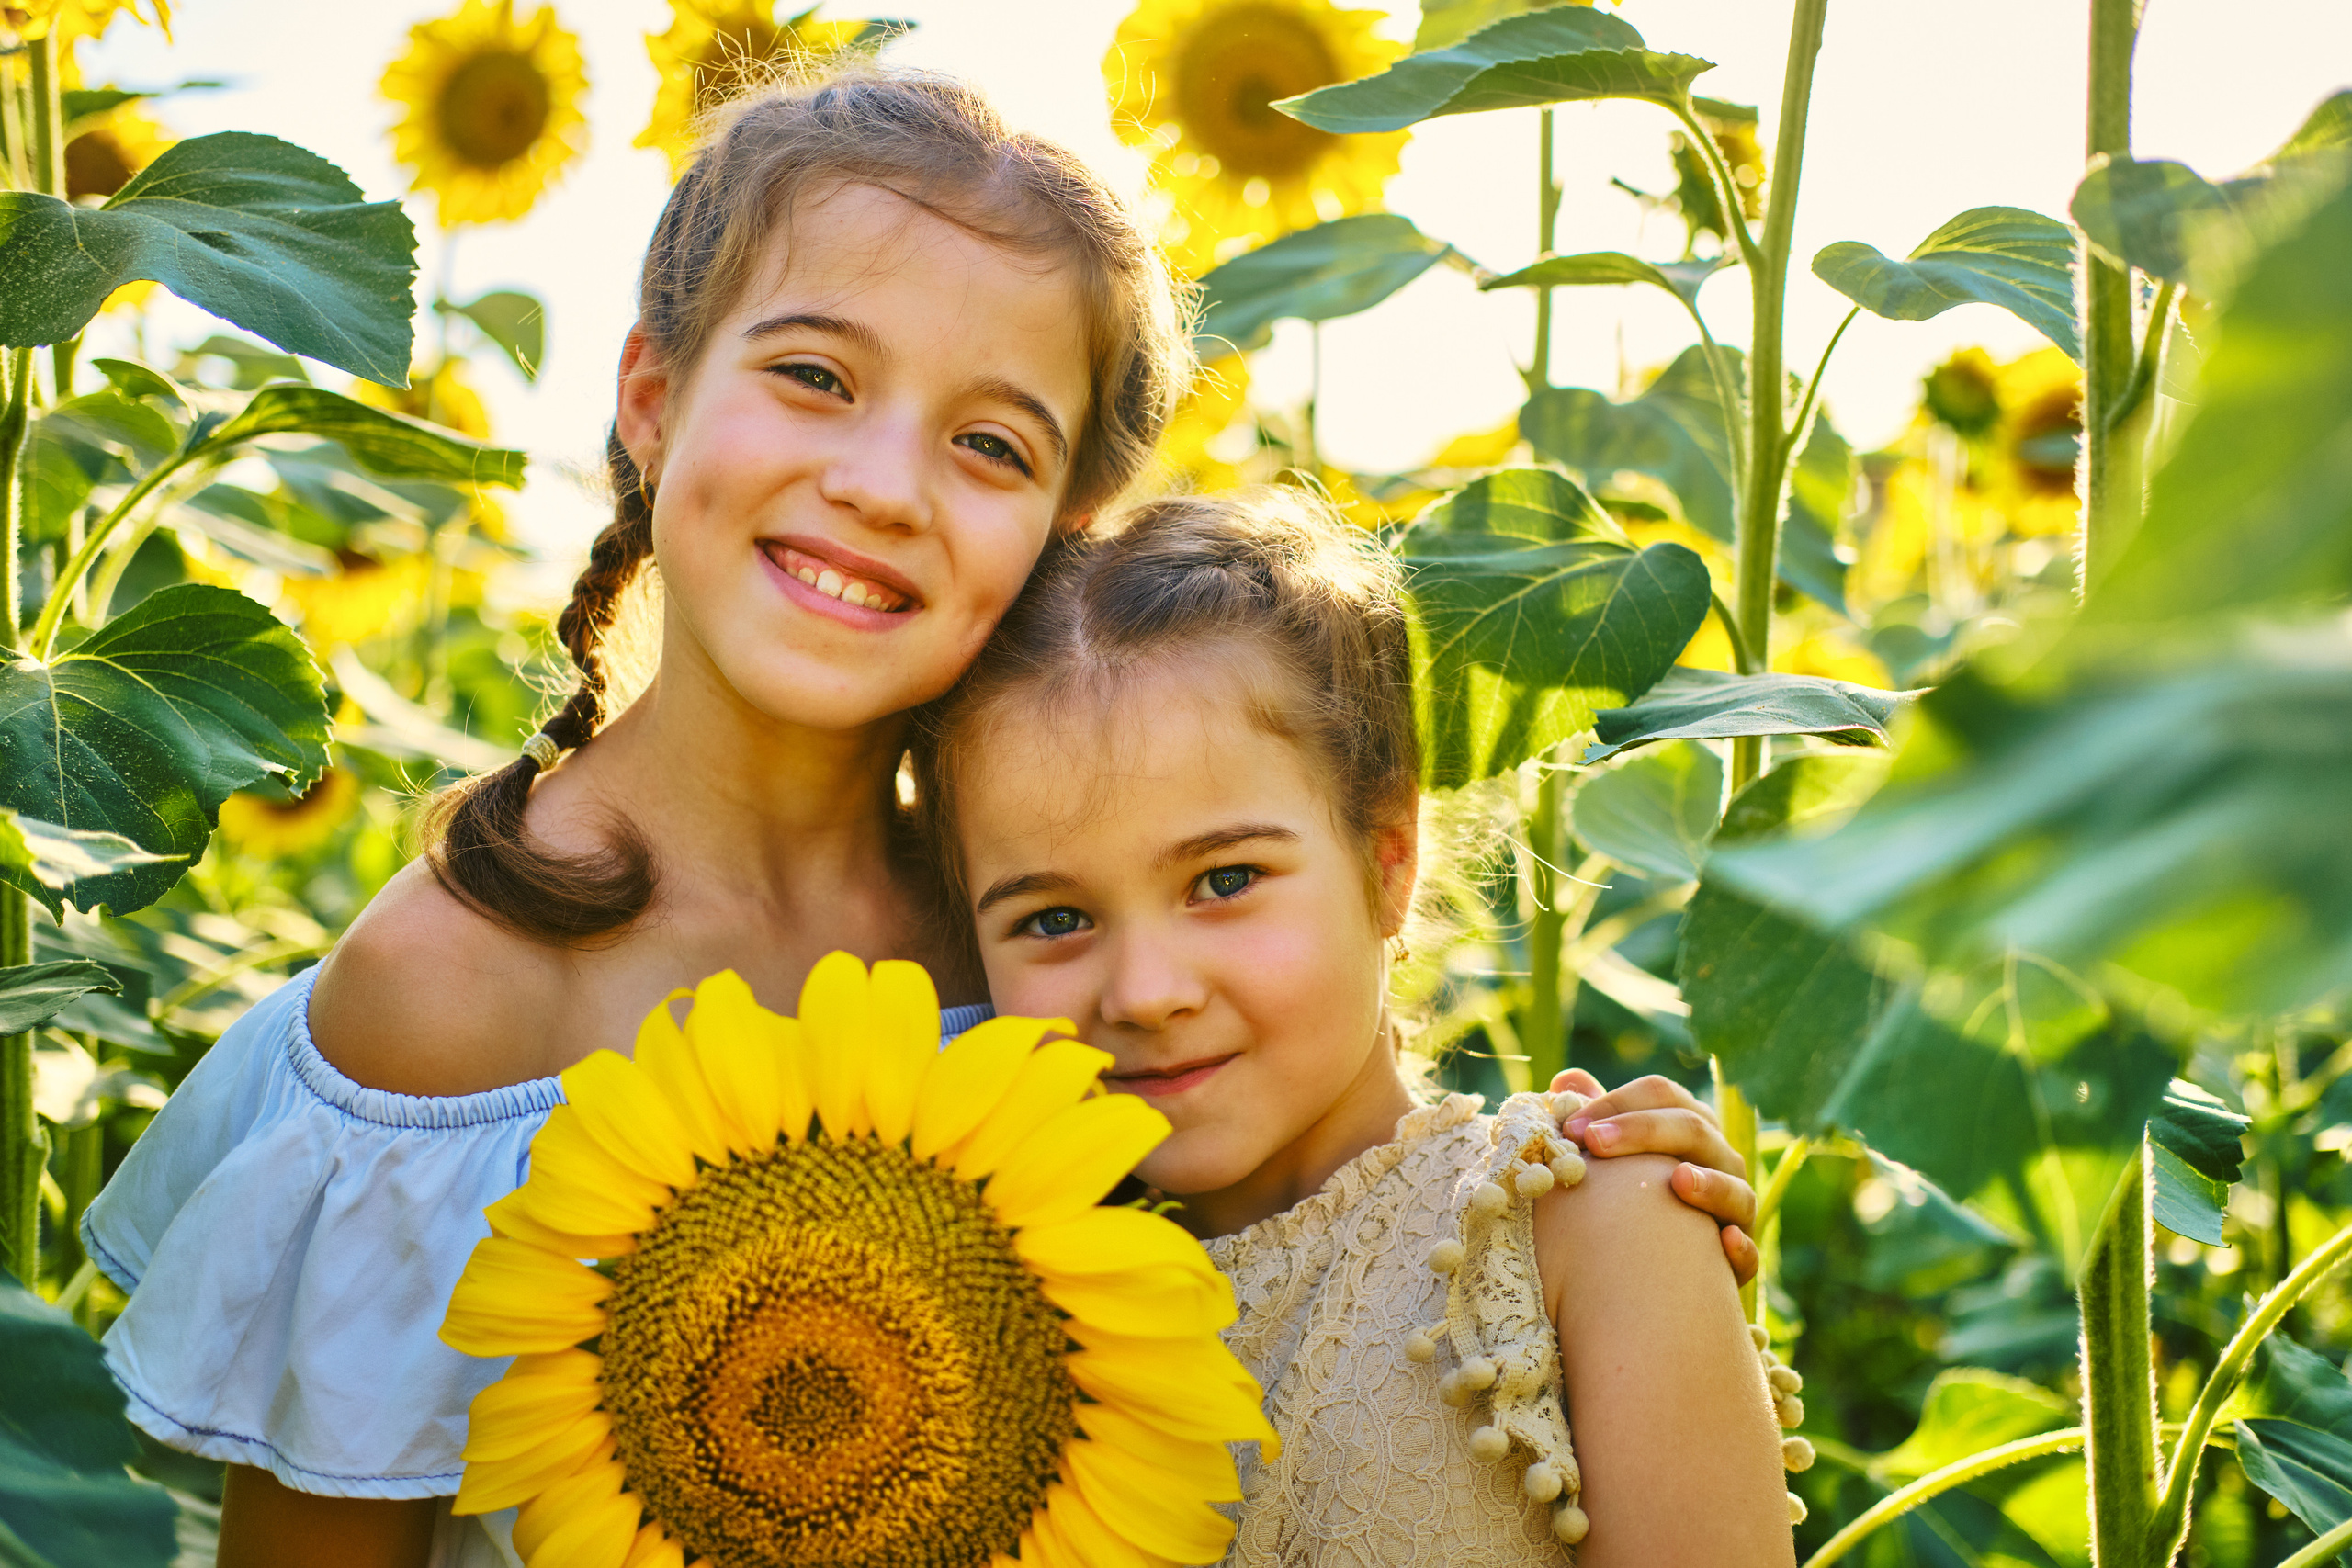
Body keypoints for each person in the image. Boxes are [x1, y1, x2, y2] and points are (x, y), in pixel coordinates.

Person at [81, 67, 1759, 1568]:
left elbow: (1313, 1237)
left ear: (1060, 532)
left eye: (986, 440)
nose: (884, 481)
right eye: (815, 375)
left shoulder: (1031, 919)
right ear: (652, 400)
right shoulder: (457, 994)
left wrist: (1597, 1209)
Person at [916, 489, 1801, 1567]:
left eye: (1223, 879)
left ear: (1387, 860)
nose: (1145, 992)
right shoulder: (980, 1287)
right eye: (1053, 919)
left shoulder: (1574, 1228)